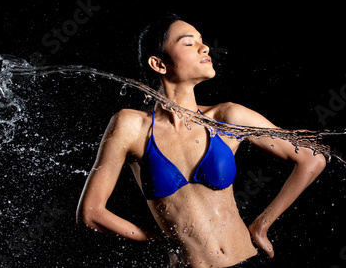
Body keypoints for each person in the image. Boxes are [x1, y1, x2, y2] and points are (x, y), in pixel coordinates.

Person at [76, 13, 326, 267]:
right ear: (159, 64)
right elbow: (91, 213)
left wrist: (262, 225)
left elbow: (311, 159)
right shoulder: (130, 126)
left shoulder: (227, 117)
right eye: (188, 43)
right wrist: (159, 241)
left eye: (202, 41)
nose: (204, 47)